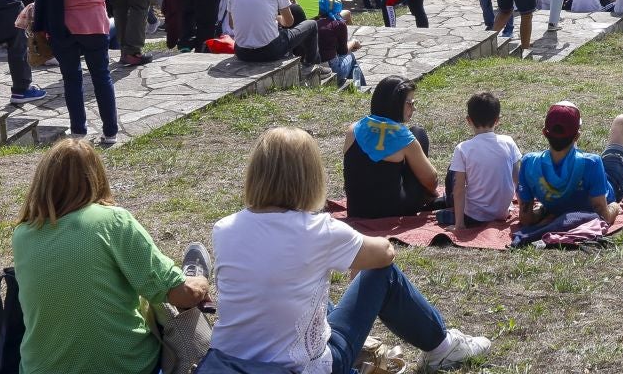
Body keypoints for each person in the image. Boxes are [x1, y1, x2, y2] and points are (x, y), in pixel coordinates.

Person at [207, 127, 489, 373]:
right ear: (310, 177)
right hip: (303, 368)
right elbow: (384, 254)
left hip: (229, 364)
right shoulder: (318, 230)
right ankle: (443, 346)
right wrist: (359, 256)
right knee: (382, 274)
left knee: (305, 290)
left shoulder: (224, 228)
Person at [12, 137, 211, 374]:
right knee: (160, 296)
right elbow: (182, 295)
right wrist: (200, 280)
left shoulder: (22, 234)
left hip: (40, 368)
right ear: (96, 177)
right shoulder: (113, 221)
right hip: (123, 366)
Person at [36, 0, 128, 143]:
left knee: (71, 79)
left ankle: (78, 129)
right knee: (101, 76)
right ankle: (110, 132)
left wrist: (39, 27)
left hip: (63, 27)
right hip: (94, 27)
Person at [342, 77, 441, 219]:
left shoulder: (353, 130)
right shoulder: (404, 137)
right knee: (418, 132)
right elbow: (431, 180)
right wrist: (430, 191)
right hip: (395, 211)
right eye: (410, 103)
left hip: (357, 211)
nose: (414, 107)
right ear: (396, 104)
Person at [516, 102, 620, 229]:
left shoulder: (528, 162)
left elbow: (525, 219)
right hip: (610, 188)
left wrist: (543, 211)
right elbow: (603, 216)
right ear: (577, 136)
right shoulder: (592, 163)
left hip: (554, 207)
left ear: (544, 132)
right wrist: (615, 206)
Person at [442, 91, 522, 230]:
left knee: (452, 171)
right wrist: (523, 212)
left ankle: (449, 208)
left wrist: (459, 225)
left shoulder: (463, 149)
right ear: (497, 120)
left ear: (469, 120)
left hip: (474, 217)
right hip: (502, 213)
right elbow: (518, 180)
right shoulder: (509, 142)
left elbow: (459, 188)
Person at [227, 0, 321, 65]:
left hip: (242, 52)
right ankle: (311, 65)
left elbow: (232, 24)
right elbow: (289, 22)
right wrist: (278, 18)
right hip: (270, 51)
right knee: (312, 24)